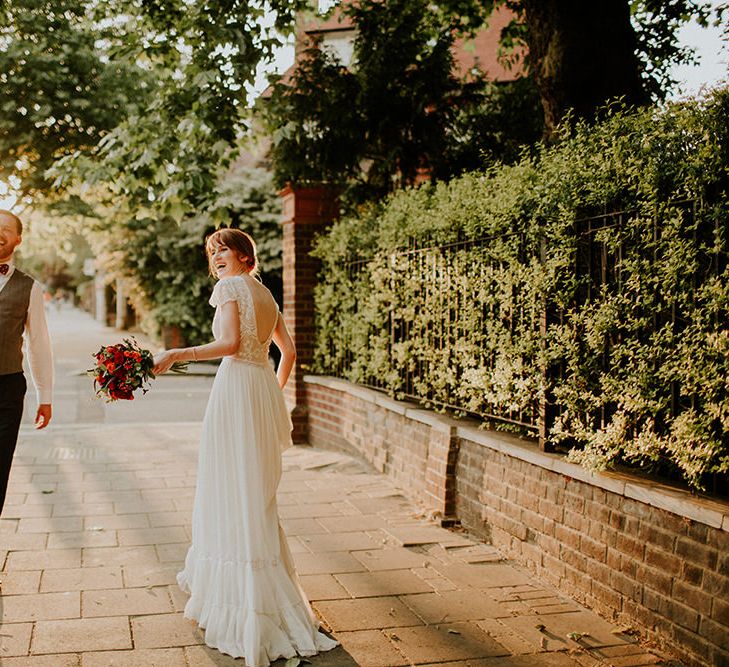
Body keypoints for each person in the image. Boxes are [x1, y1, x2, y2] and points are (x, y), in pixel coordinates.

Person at [153, 228, 337, 666]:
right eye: (211, 251)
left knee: (229, 487)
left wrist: (177, 354)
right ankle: (269, 599)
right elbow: (288, 352)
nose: (216, 256)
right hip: (258, 391)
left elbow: (231, 344)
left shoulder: (231, 287)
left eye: (223, 249)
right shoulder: (266, 294)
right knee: (254, 493)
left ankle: (242, 607)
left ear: (242, 255)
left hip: (236, 389)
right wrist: (273, 392)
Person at [0, 209, 53, 515]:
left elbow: (39, 345)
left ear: (18, 239)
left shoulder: (29, 287)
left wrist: (45, 397)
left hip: (6, 390)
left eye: (7, 229)